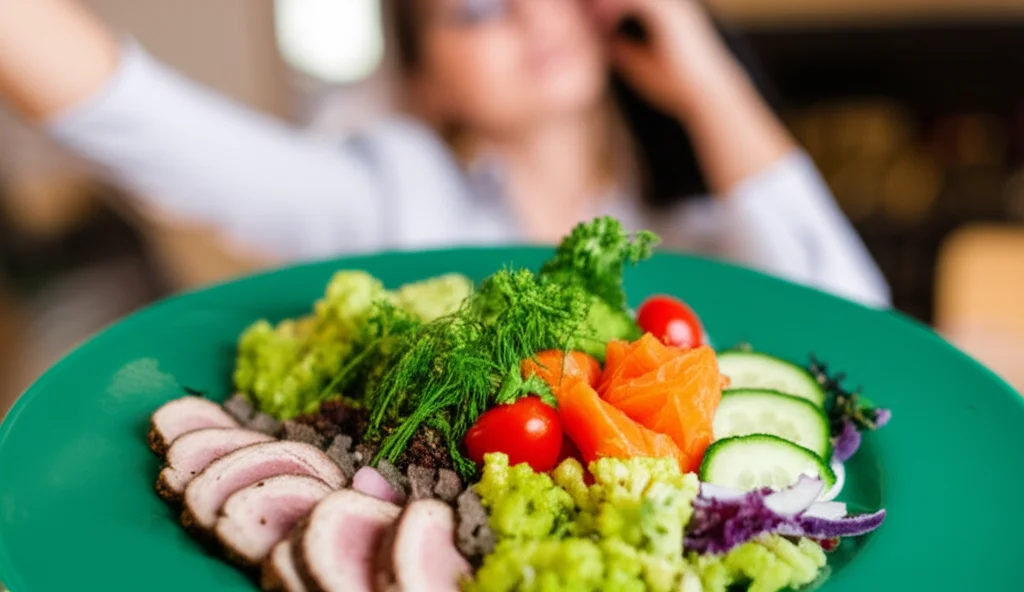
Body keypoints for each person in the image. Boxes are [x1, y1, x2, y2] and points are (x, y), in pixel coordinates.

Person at [0, 0, 890, 306]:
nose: (528, 16)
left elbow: (862, 328)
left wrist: (705, 80)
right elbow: (157, 132)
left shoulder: (699, 219)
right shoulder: (394, 197)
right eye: (472, 9)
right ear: (427, 81)